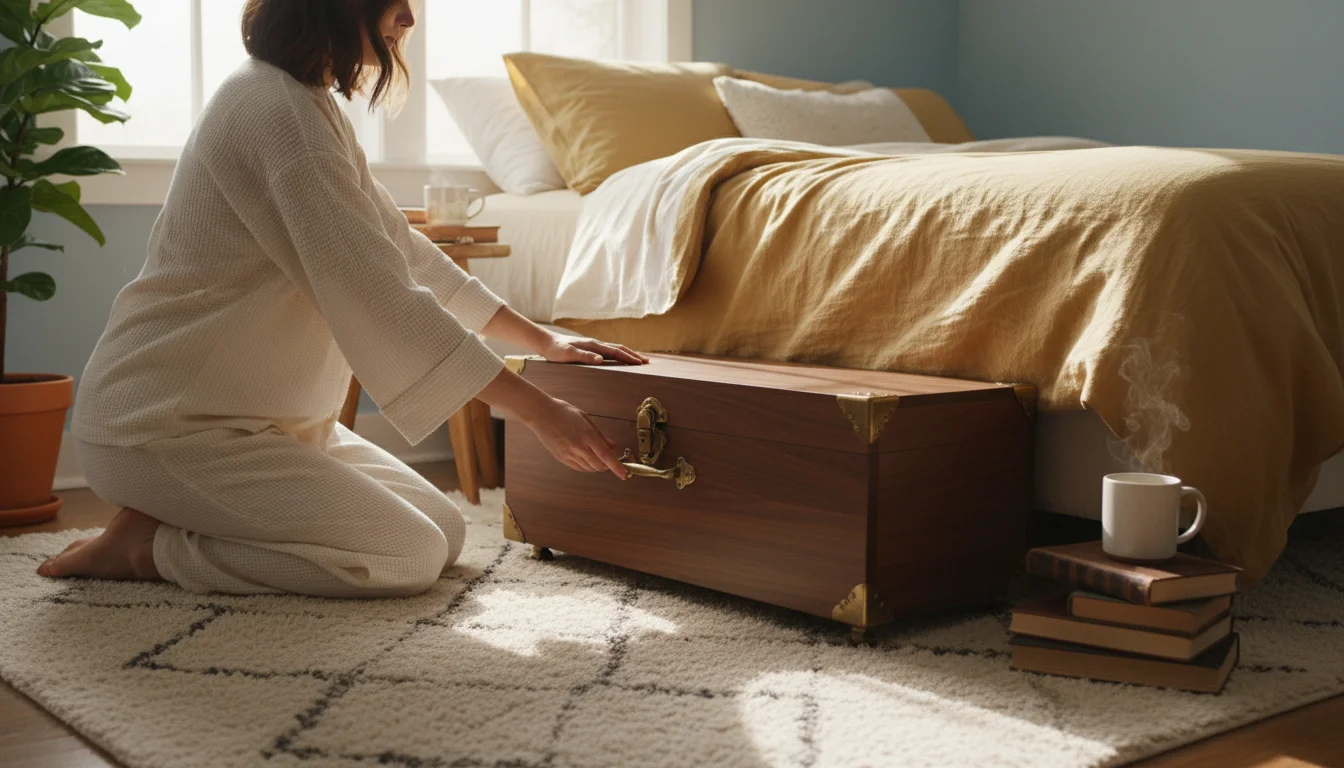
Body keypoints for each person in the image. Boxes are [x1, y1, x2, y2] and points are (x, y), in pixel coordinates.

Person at [37, 0, 645, 596]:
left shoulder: (305, 103)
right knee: (405, 557)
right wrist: (540, 412)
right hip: (166, 428)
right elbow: (383, 297)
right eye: (394, 1)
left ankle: (165, 518)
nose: (409, 18)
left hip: (266, 424)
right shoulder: (276, 113)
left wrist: (542, 339)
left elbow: (402, 249)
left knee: (445, 530)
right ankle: (149, 550)